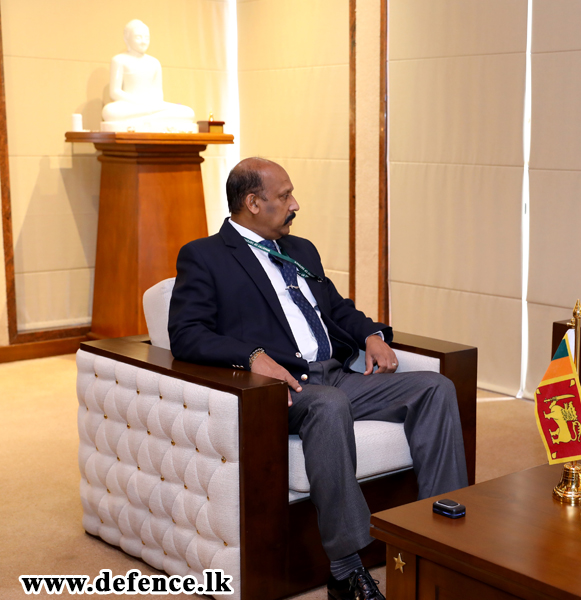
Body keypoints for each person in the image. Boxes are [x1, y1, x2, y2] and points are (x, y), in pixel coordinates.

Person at [168, 157, 468, 600]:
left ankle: (442, 538)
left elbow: (335, 307)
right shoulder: (206, 256)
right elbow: (186, 334)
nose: (296, 204)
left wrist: (370, 334)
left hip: (337, 375)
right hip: (283, 390)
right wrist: (251, 356)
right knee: (329, 406)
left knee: (435, 387)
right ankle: (346, 570)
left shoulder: (300, 249)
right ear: (253, 202)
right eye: (285, 195)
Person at [101, 19, 196, 132]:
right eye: (138, 37)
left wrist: (153, 106)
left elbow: (158, 92)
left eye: (147, 38)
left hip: (153, 106)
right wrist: (140, 104)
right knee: (109, 112)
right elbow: (115, 92)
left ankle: (146, 118)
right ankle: (151, 117)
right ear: (126, 39)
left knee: (188, 113)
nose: (143, 41)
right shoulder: (119, 60)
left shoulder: (154, 62)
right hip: (131, 106)